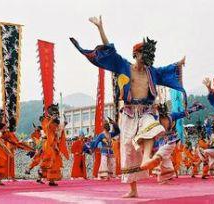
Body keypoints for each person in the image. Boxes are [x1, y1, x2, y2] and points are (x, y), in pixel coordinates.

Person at [70, 15, 186, 198]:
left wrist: (178, 64)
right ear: (136, 55)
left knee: (151, 128)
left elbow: (166, 71)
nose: (146, 59)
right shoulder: (125, 66)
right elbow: (110, 52)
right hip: (129, 112)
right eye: (143, 55)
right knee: (127, 148)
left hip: (146, 110)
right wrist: (100, 28)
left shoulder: (151, 72)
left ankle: (147, 158)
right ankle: (133, 189)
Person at [40, 104, 69, 186]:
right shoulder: (47, 121)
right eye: (54, 113)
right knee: (49, 161)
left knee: (55, 162)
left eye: (56, 113)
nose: (56, 114)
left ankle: (51, 179)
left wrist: (64, 124)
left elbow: (59, 131)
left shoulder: (55, 123)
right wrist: (51, 121)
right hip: (49, 143)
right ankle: (44, 176)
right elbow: (46, 129)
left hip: (54, 143)